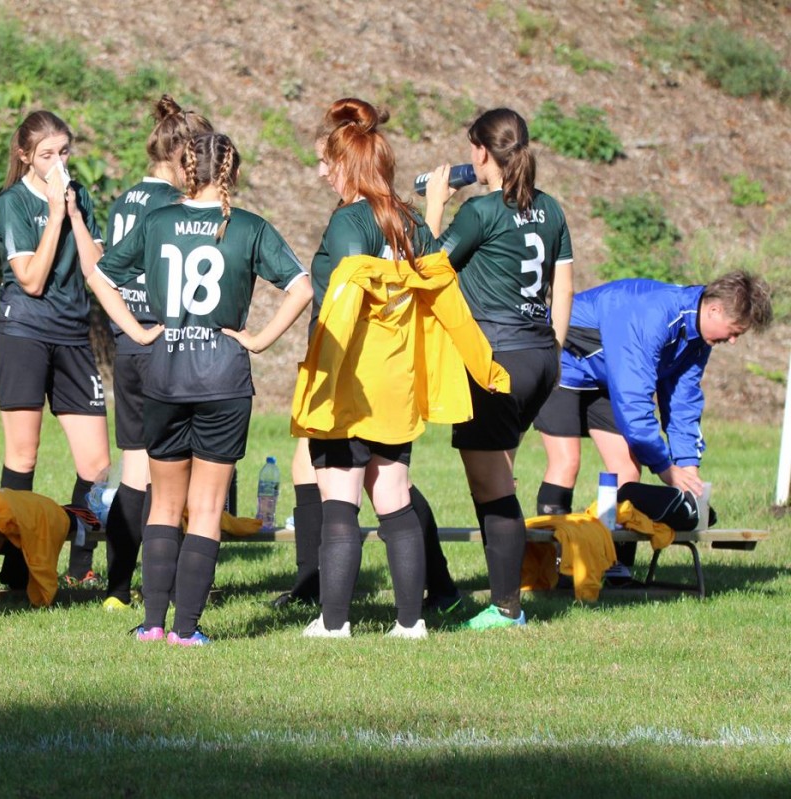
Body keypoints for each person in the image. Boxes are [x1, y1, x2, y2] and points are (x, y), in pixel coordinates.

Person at [292, 98, 505, 639]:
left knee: (339, 501)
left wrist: (320, 377)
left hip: (351, 378)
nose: (322, 173)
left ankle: (333, 624)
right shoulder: (411, 221)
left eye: (327, 164)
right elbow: (443, 291)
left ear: (349, 166)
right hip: (397, 380)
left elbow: (344, 301)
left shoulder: (348, 221)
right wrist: (484, 364)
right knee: (394, 497)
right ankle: (410, 623)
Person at [91, 132, 312, 645]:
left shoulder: (159, 221)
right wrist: (257, 340)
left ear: (185, 170)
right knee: (208, 509)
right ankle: (186, 630)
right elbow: (301, 288)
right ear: (232, 172)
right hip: (223, 378)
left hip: (164, 375)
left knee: (164, 505)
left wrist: (138, 331)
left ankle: (152, 624)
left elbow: (101, 277)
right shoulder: (248, 225)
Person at [425, 107, 574, 630]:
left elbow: (428, 269)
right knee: (497, 476)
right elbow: (564, 286)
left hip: (496, 360)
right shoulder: (550, 208)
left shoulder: (481, 212)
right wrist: (553, 352)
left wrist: (435, 206)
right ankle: (504, 594)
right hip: (541, 358)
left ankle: (508, 608)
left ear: (482, 153)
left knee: (493, 487)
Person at [534, 271, 772, 575]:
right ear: (714, 309)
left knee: (627, 470)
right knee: (567, 462)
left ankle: (616, 568)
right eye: (734, 330)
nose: (734, 340)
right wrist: (664, 467)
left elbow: (683, 401)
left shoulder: (698, 338)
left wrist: (687, 466)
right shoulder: (652, 316)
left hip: (605, 377)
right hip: (562, 364)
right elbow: (634, 401)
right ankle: (555, 569)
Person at [100, 95, 213, 612]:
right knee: (172, 474)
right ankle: (166, 587)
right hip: (165, 341)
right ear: (184, 154)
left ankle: (117, 588)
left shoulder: (124, 200)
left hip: (128, 343)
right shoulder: (174, 207)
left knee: (134, 468)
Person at [0, 110, 108, 590]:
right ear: (25, 157)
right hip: (24, 334)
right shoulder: (12, 202)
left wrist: (74, 213)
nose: (58, 163)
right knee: (24, 455)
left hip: (73, 336)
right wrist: (55, 214)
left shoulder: (80, 197)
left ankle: (80, 566)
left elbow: (96, 271)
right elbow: (32, 281)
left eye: (63, 152)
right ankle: (15, 571)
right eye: (46, 155)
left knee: (97, 465)